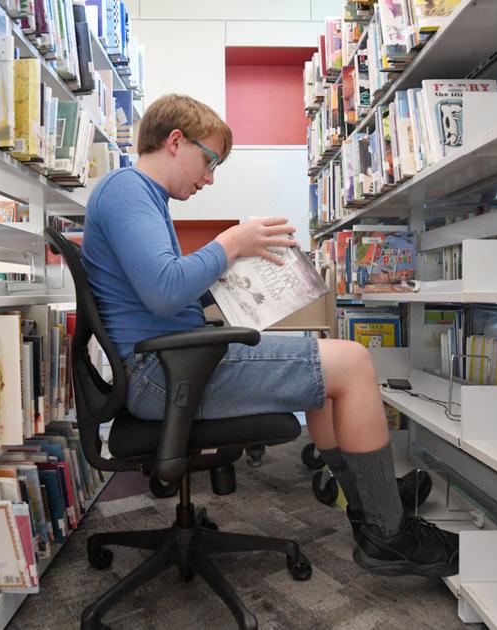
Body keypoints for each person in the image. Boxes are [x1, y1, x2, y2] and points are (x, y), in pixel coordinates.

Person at [80, 94, 458, 578]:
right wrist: (230, 243)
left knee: (324, 377)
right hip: (166, 376)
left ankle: (371, 499)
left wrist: (234, 280)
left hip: (168, 367)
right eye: (210, 160)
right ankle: (388, 533)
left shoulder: (136, 195)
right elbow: (162, 290)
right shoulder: (127, 190)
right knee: (353, 363)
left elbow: (165, 296)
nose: (209, 177)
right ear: (176, 141)